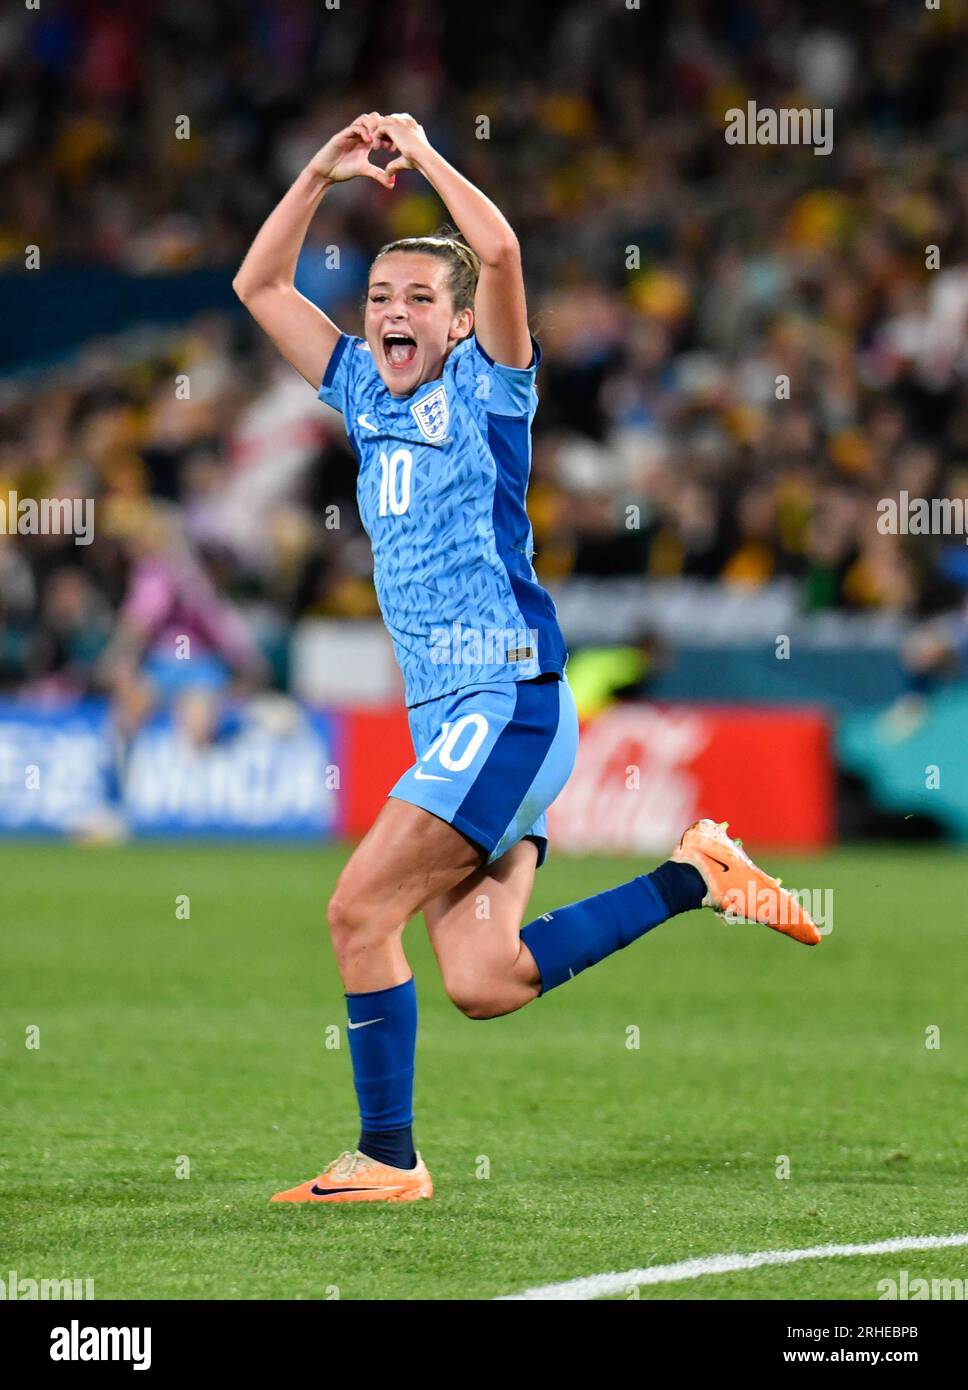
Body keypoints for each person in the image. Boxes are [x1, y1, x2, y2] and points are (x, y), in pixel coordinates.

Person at [233, 111, 821, 1205]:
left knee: (357, 913)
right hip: (456, 718)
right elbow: (260, 288)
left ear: (460, 325)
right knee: (485, 979)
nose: (392, 315)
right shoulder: (362, 389)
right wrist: (319, 166)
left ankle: (388, 1160)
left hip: (503, 702)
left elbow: (497, 252)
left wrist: (422, 150)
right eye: (378, 300)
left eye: (418, 300)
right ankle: (695, 873)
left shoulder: (490, 390)